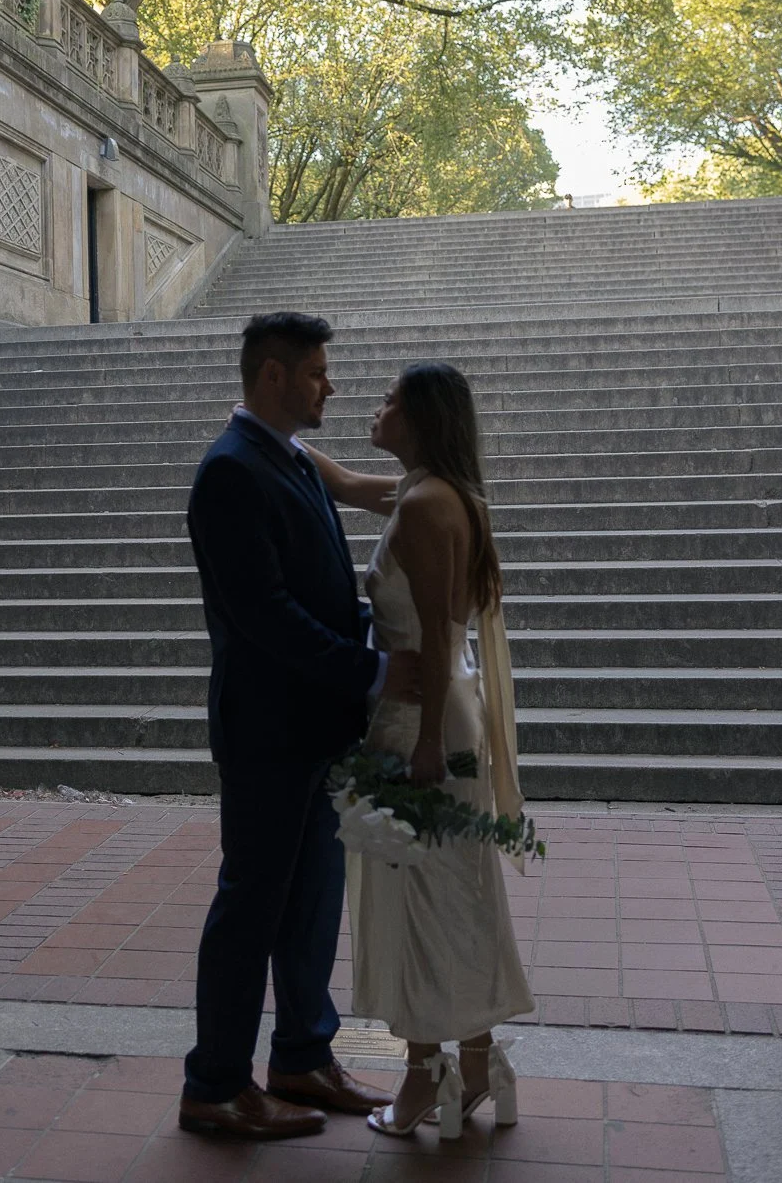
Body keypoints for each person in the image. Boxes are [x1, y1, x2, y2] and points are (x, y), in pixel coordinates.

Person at [179, 313, 421, 1141]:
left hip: (316, 728)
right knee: (253, 903)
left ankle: (302, 1057)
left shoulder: (285, 457)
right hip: (266, 732)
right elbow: (266, 618)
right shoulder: (229, 473)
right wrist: (377, 668)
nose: (331, 384)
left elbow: (315, 588)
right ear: (274, 375)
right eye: (318, 372)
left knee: (313, 899)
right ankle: (215, 1082)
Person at [304, 361, 535, 1140]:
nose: (377, 408)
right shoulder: (433, 492)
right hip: (437, 711)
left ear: (423, 418)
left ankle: (420, 1079)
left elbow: (437, 630)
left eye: (391, 402)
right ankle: (472, 1066)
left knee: (422, 901)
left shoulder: (427, 505)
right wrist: (266, 430)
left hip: (425, 722)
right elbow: (338, 480)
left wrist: (429, 740)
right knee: (452, 893)